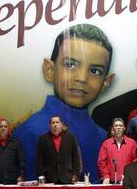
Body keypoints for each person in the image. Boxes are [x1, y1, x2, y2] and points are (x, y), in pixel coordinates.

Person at [14, 24, 114, 181]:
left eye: (94, 71)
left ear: (106, 82)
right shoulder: (28, 131)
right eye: (70, 65)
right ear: (50, 70)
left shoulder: (104, 137)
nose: (81, 78)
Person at [37, 116, 81, 184]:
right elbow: (40, 160)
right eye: (53, 123)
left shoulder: (71, 138)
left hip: (68, 178)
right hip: (49, 179)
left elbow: (76, 158)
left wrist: (76, 175)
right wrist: (41, 176)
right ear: (50, 125)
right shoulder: (43, 139)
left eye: (57, 122)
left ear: (61, 124)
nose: (55, 124)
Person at [97, 118, 137, 184]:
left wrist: (131, 175)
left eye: (120, 126)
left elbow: (135, 161)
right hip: (110, 181)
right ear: (113, 129)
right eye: (116, 126)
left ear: (124, 128)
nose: (118, 128)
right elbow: (101, 162)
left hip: (128, 181)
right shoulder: (106, 144)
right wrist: (106, 176)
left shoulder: (132, 143)